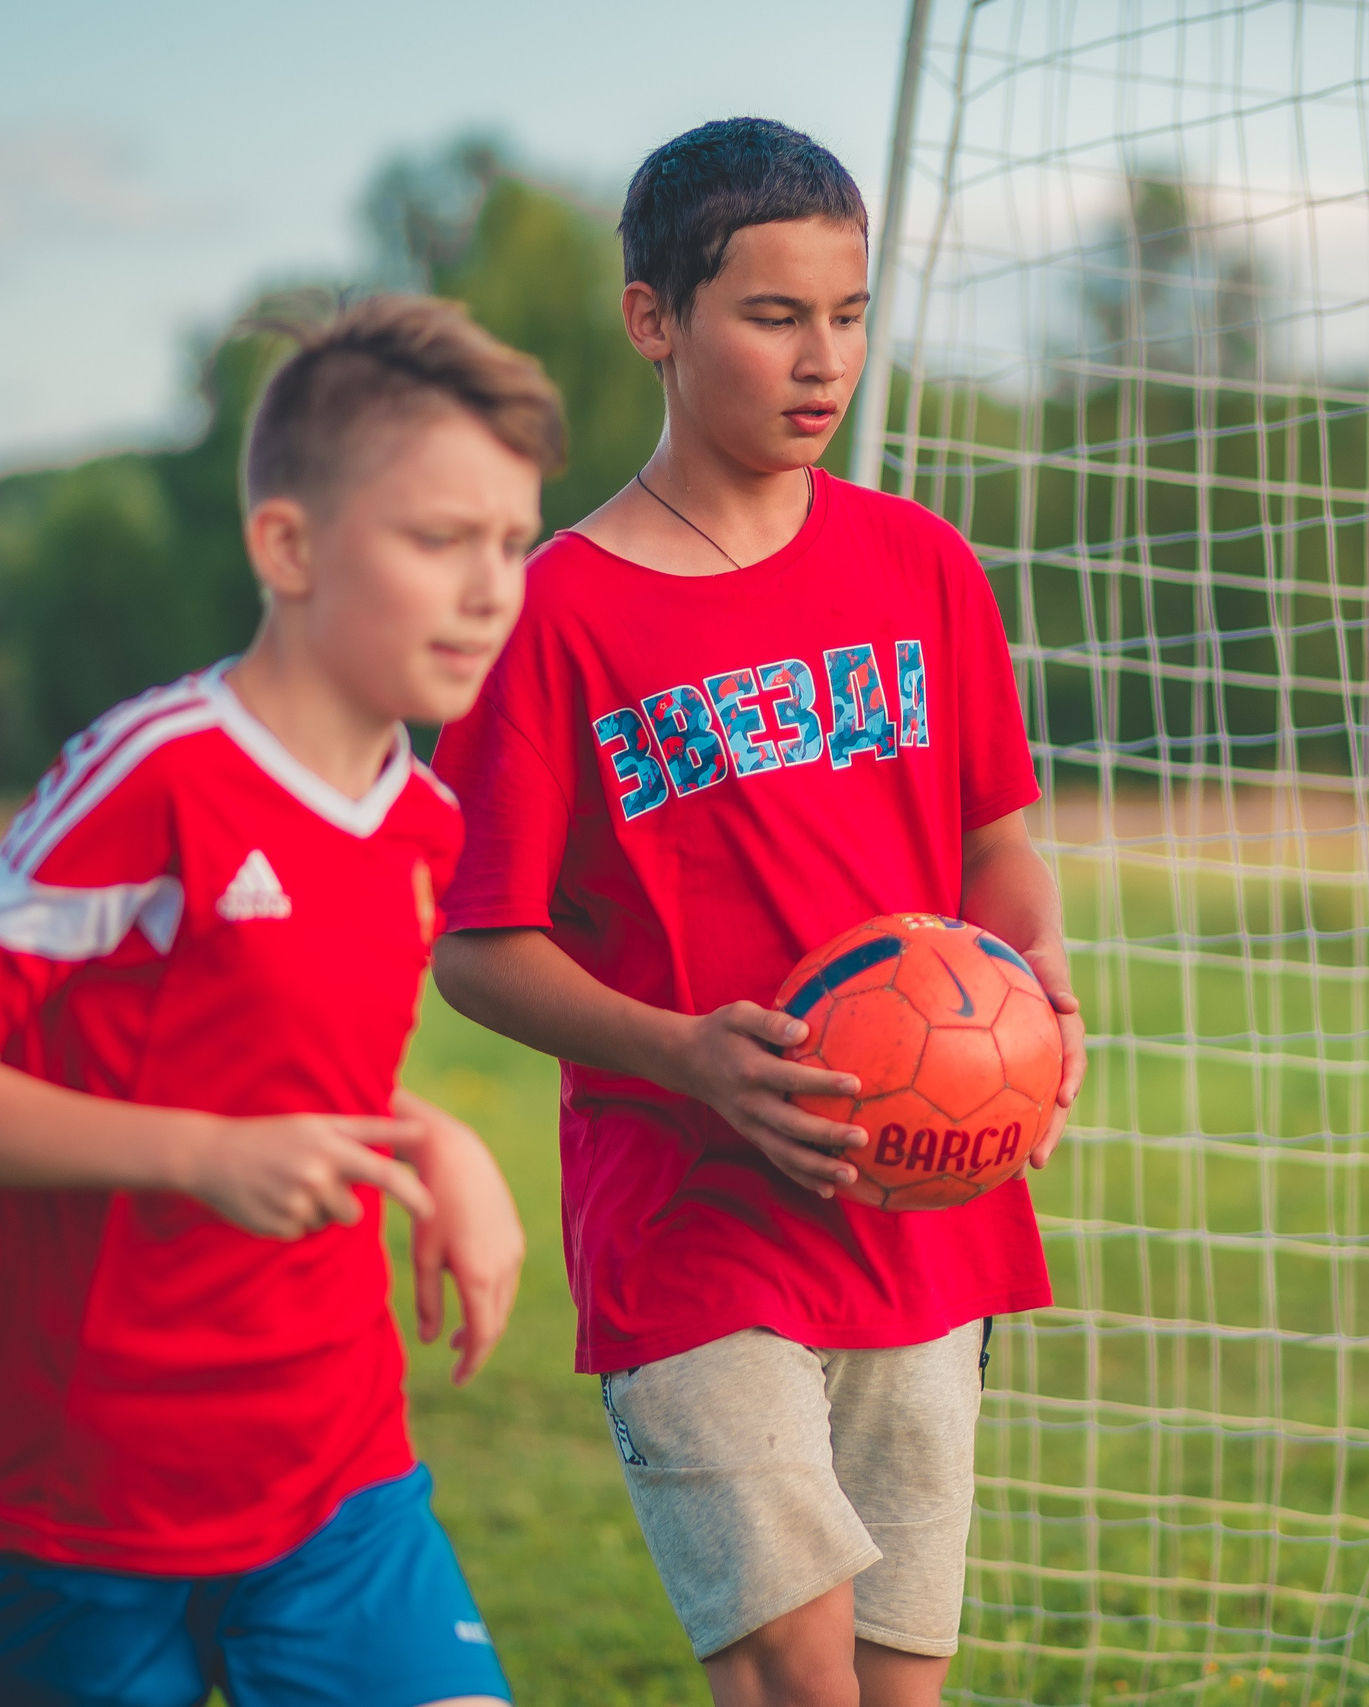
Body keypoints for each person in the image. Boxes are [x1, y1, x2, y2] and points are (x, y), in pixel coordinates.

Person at [426, 117, 1083, 1707]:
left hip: (924, 1199)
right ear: (654, 317)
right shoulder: (554, 613)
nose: (822, 359)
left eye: (847, 314)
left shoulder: (923, 564)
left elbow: (998, 848)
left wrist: (1043, 989)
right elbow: (475, 945)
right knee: (796, 1673)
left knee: (896, 1681)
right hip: (691, 1212)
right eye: (774, 315)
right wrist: (686, 1054)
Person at [0, 295, 559, 1707]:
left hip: (337, 1476)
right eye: (439, 539)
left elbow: (287, 1063)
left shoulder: (425, 820)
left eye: (513, 544)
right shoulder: (153, 773)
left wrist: (440, 1142)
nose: (491, 591)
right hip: (84, 1504)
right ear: (286, 546)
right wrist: (198, 1154)